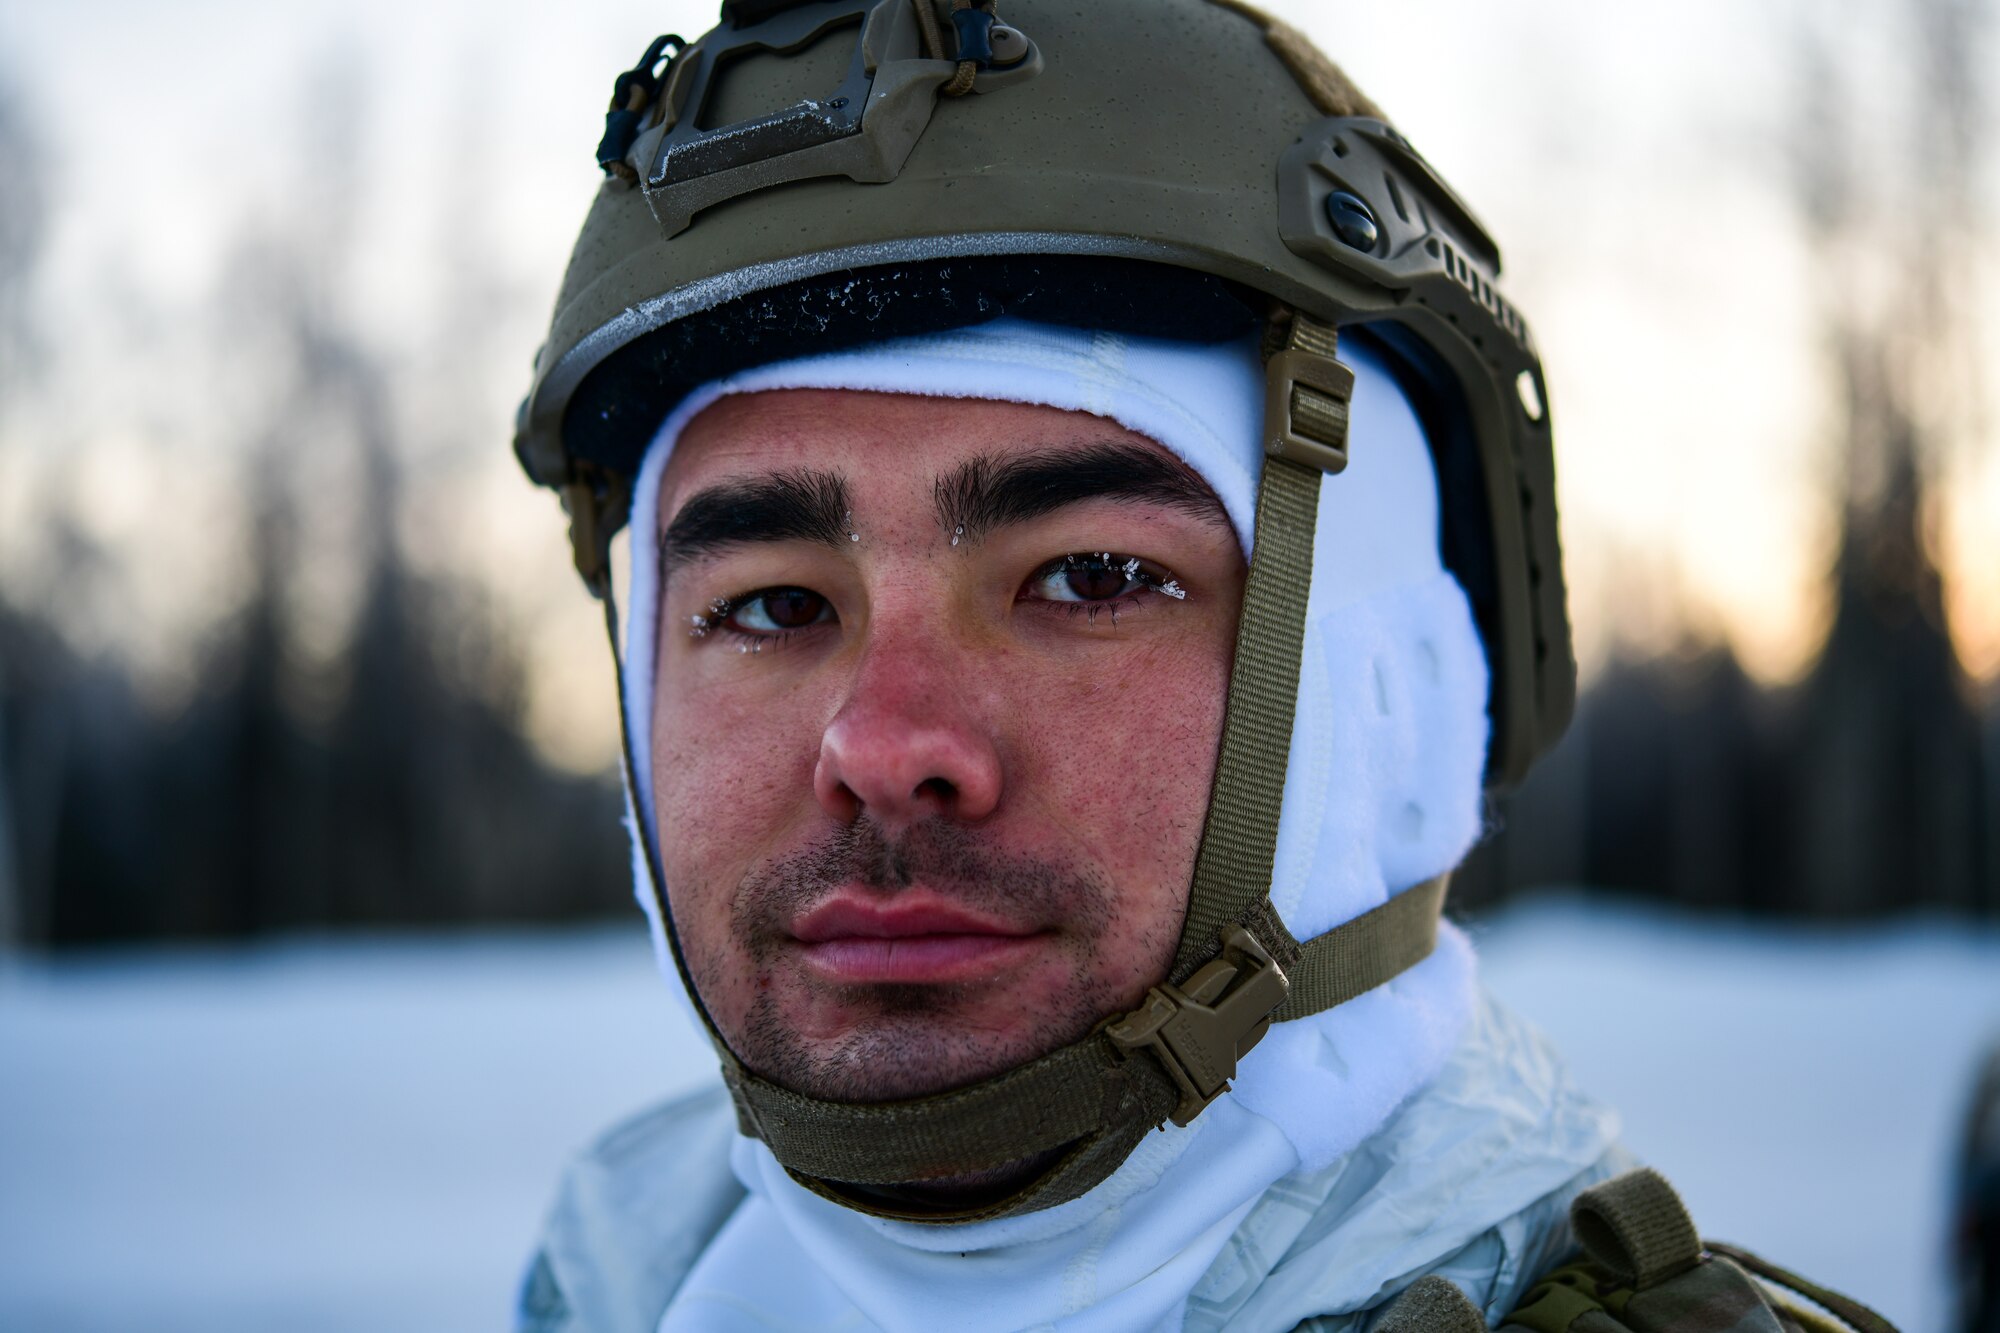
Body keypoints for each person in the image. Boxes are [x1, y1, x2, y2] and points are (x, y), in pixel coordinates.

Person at [510, 3, 1899, 1329]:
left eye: (1093, 577)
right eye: (768, 605)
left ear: (1388, 693)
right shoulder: (613, 1279)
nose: (883, 741)